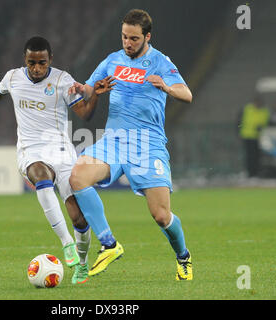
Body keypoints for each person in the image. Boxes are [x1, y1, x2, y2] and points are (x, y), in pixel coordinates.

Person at [0, 36, 115, 284]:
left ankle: (81, 264)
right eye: (31, 62)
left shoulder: (62, 80)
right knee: (40, 176)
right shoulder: (14, 77)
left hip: (61, 151)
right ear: (24, 60)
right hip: (31, 149)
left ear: (50, 60)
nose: (37, 68)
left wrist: (96, 97)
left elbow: (85, 115)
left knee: (79, 218)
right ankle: (66, 243)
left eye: (42, 63)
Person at [68, 9, 194, 281]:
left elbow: (187, 94)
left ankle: (183, 256)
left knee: (161, 216)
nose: (128, 43)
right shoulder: (112, 60)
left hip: (148, 144)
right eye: (125, 36)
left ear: (147, 36)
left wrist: (167, 87)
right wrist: (86, 91)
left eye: (134, 38)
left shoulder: (160, 62)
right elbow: (89, 89)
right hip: (113, 140)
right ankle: (109, 244)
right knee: (78, 176)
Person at [238, 95, 270, 178]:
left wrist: (261, 128)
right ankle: (250, 173)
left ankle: (257, 173)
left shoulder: (264, 111)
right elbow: (239, 121)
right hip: (248, 136)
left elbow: (267, 123)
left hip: (259, 137)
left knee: (258, 157)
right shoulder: (247, 109)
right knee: (249, 157)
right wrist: (239, 131)